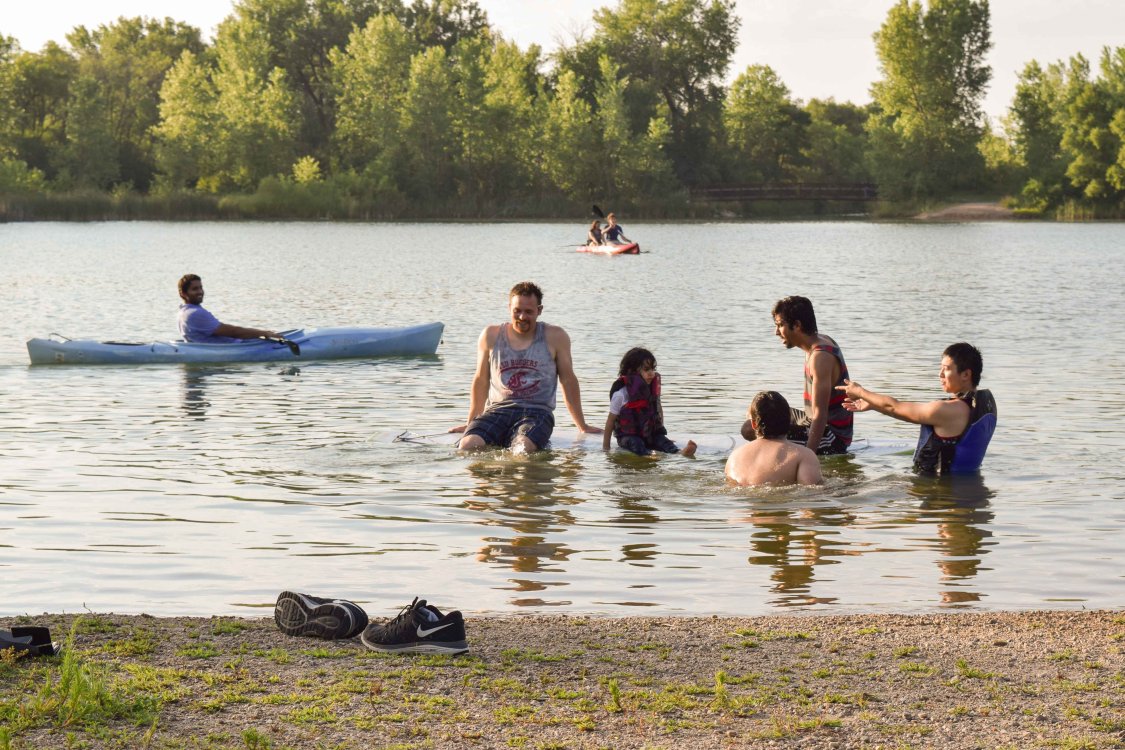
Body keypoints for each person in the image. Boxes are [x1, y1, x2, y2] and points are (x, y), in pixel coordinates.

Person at [453, 281, 602, 452]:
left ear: (539, 310)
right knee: (468, 445)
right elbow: (481, 380)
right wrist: (470, 422)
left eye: (529, 312)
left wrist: (582, 425)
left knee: (522, 448)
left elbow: (568, 381)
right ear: (510, 308)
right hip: (498, 411)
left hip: (537, 413)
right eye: (517, 311)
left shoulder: (555, 336)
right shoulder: (490, 336)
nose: (522, 317)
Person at [837, 342, 997, 475]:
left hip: (936, 493)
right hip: (961, 489)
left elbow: (894, 407)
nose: (940, 374)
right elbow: (895, 409)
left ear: (966, 375)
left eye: (946, 369)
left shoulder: (946, 411)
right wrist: (873, 404)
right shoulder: (985, 405)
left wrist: (860, 392)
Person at [765, 295, 853, 455]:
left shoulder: (821, 357)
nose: (776, 332)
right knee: (758, 413)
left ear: (797, 325)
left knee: (751, 430)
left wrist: (808, 457)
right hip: (810, 419)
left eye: (780, 325)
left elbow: (820, 415)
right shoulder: (818, 342)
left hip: (832, 437)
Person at [602, 347, 697, 457]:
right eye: (646, 370)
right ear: (632, 371)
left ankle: (679, 452)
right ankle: (649, 456)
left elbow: (658, 410)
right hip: (628, 437)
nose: (652, 373)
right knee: (636, 443)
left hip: (650, 434)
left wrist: (661, 433)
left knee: (662, 441)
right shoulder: (621, 394)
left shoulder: (652, 390)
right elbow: (610, 422)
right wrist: (606, 448)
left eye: (653, 369)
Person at [726, 391, 823, 486]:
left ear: (753, 424)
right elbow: (812, 493)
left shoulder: (734, 457)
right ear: (789, 421)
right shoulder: (804, 455)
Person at [177, 274, 279, 343]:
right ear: (184, 294)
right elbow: (234, 332)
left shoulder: (183, 311)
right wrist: (265, 333)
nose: (200, 291)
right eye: (195, 289)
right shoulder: (195, 313)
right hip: (233, 349)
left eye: (201, 287)